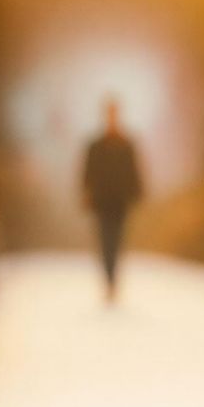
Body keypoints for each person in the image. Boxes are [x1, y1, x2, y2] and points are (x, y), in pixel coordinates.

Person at [82, 98, 144, 303]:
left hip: (120, 201)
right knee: (104, 240)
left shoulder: (127, 144)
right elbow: (87, 172)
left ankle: (113, 279)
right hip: (101, 201)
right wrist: (87, 193)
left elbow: (135, 172)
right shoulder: (95, 145)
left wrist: (137, 193)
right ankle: (108, 279)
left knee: (116, 240)